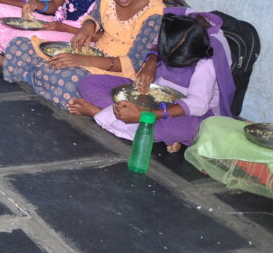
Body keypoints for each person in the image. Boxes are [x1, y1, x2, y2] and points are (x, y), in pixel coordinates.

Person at [3, 0, 165, 108]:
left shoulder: (154, 12)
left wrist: (82, 60)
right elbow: (95, 16)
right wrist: (89, 26)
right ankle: (40, 78)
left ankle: (34, 75)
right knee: (20, 45)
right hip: (94, 51)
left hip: (119, 71)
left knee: (67, 80)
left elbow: (133, 63)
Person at [70, 14, 234, 152]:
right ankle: (136, 123)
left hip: (184, 110)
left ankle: (100, 113)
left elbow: (198, 105)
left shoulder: (207, 61)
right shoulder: (178, 26)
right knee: (89, 84)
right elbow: (157, 40)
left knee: (183, 129)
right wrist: (152, 61)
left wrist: (143, 115)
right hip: (154, 95)